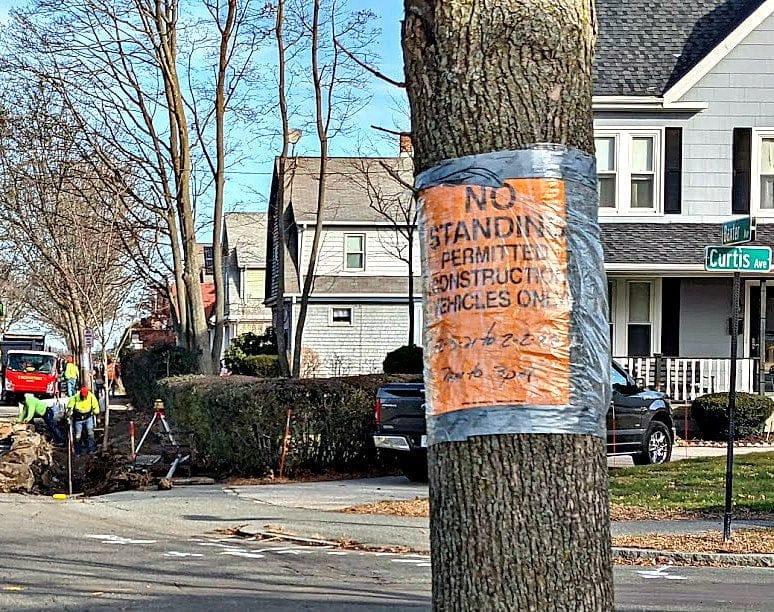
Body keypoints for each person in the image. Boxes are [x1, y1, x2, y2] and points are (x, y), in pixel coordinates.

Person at [68, 386, 100, 455]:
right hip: (78, 419)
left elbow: (96, 407)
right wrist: (68, 414)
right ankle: (78, 451)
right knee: (78, 436)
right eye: (83, 397)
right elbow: (70, 407)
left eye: (85, 396)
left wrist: (98, 417)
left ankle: (91, 449)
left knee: (90, 433)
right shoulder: (75, 397)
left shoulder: (91, 397)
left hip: (88, 418)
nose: (84, 398)